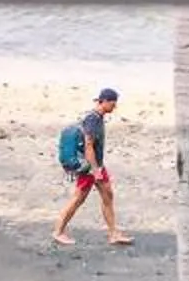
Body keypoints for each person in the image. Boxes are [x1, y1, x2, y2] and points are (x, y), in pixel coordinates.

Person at [51, 87, 131, 247]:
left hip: (97, 165)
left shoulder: (97, 117)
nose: (114, 107)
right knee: (78, 199)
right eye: (113, 104)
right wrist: (95, 170)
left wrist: (98, 168)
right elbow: (88, 145)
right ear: (105, 102)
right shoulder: (93, 119)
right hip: (90, 167)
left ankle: (113, 233)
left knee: (108, 195)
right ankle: (58, 232)